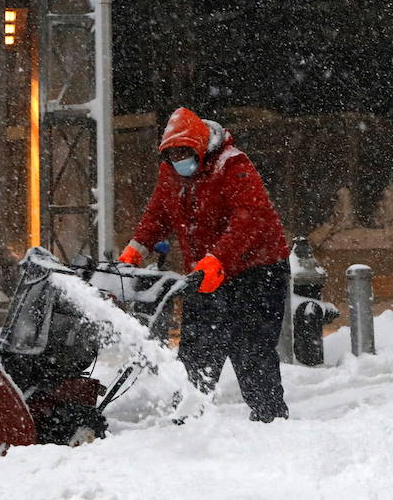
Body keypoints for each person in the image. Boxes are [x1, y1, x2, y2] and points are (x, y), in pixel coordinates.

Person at [118, 106, 291, 422]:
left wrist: (219, 259)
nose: (178, 159)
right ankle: (187, 418)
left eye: (184, 151)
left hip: (257, 271)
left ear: (199, 147)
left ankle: (270, 420)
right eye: (172, 154)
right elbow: (158, 214)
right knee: (197, 350)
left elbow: (250, 219)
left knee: (250, 349)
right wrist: (136, 248)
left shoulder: (233, 165)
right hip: (205, 273)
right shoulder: (171, 173)